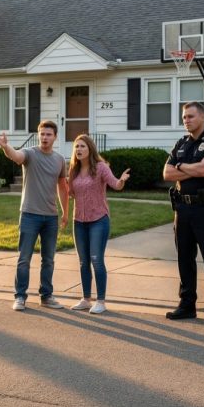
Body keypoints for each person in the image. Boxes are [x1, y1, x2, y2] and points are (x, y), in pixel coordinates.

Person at [163, 101, 204, 327]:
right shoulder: (181, 143)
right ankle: (187, 305)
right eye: (184, 117)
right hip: (182, 210)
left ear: (202, 117)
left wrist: (181, 167)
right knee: (184, 259)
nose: (186, 120)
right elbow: (167, 173)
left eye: (190, 116)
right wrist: (190, 168)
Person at [0, 120, 69, 311]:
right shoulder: (30, 154)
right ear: (38, 135)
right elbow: (16, 156)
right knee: (24, 258)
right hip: (30, 214)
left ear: (55, 137)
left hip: (50, 217)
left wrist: (65, 212)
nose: (45, 137)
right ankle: (20, 297)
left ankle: (46, 296)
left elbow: (63, 187)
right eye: (42, 134)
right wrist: (6, 147)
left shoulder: (59, 159)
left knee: (48, 260)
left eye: (48, 134)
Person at [67, 134, 130, 314]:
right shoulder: (73, 170)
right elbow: (71, 193)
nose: (79, 149)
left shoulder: (101, 167)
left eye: (82, 146)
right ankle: (86, 299)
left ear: (90, 149)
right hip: (79, 221)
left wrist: (121, 180)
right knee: (83, 262)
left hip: (98, 220)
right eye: (76, 146)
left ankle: (101, 301)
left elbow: (115, 184)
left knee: (96, 260)